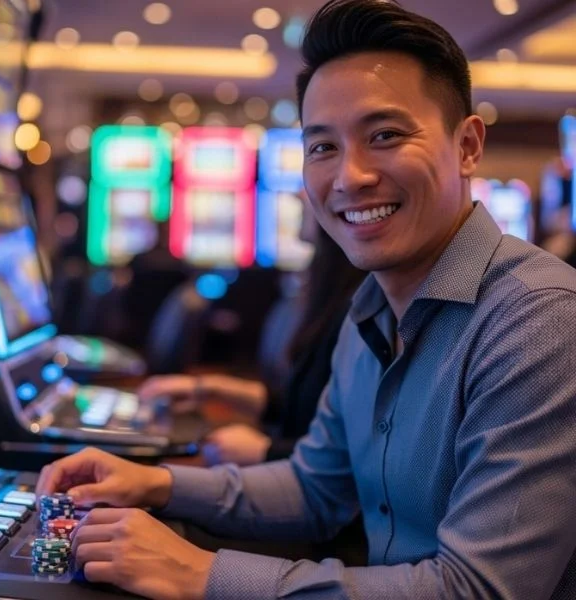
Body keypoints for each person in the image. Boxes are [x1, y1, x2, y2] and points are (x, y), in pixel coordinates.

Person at [36, 1, 576, 598]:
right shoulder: (371, 306)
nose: (350, 177)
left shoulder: (540, 320)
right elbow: (315, 486)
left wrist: (196, 571)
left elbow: (477, 590)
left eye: (386, 135)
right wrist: (156, 483)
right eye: (322, 147)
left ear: (468, 145)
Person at [137, 221, 366, 466]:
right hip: (293, 463)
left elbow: (355, 455)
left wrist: (266, 451)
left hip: (303, 478)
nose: (299, 193)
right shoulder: (329, 285)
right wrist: (209, 388)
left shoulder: (360, 303)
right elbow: (304, 406)